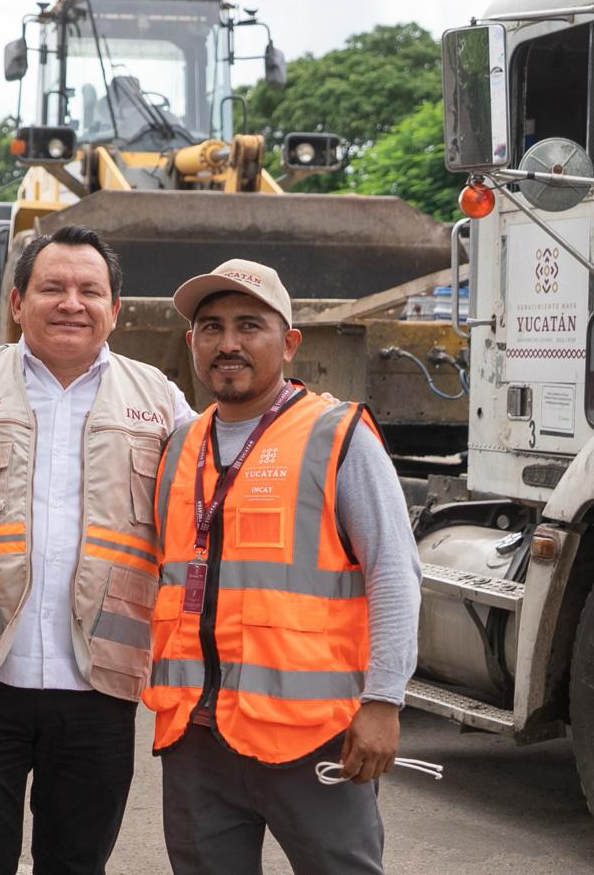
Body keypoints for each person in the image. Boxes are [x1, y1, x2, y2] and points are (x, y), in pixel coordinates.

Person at [0, 224, 196, 875]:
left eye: (90, 290)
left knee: (76, 864)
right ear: (16, 302)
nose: (71, 303)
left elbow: (226, 469)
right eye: (52, 287)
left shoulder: (159, 401)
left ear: (115, 309)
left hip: (100, 689)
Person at [143, 259, 422, 875]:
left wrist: (384, 701)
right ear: (192, 343)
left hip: (313, 736)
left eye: (250, 325)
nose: (228, 343)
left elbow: (394, 575)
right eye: (212, 328)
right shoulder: (180, 447)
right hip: (197, 736)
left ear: (290, 342)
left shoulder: (336, 436)